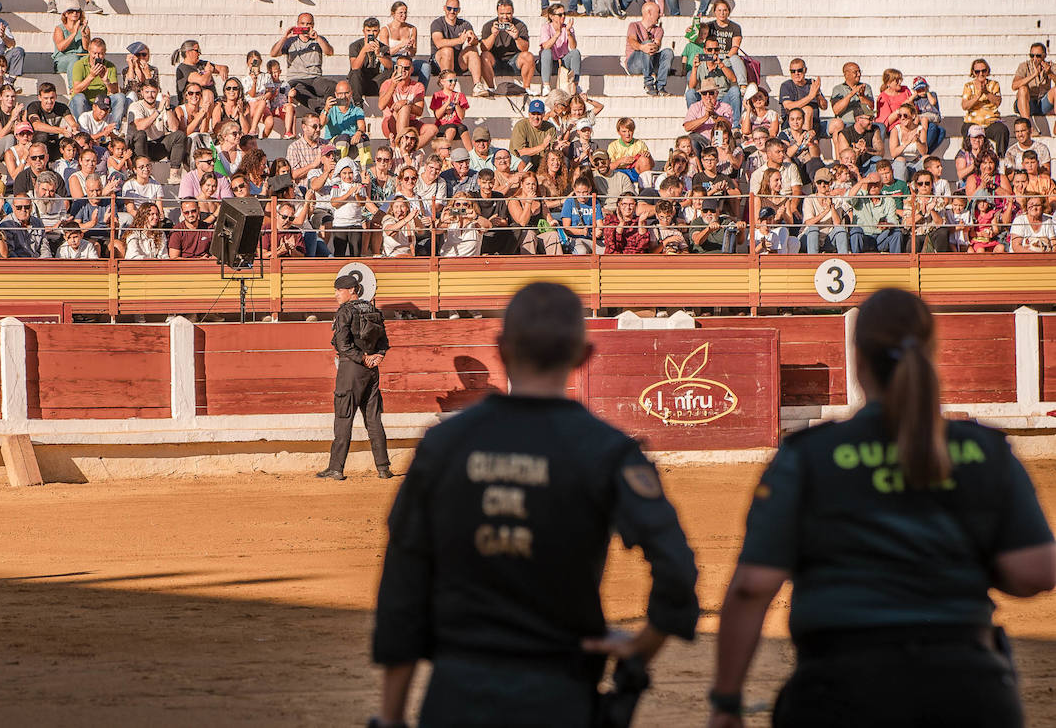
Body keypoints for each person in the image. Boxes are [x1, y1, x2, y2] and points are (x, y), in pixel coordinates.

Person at [709, 287, 1056, 728]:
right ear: (932, 351)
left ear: (857, 360)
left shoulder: (809, 456)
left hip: (840, 689)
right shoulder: (983, 450)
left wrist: (726, 701)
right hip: (967, 687)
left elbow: (753, 586)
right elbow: (1035, 573)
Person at [370, 282, 698, 727]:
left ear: (502, 351)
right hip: (559, 692)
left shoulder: (443, 446)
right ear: (583, 356)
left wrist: (391, 718)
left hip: (458, 694)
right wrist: (644, 647)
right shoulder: (607, 450)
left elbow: (403, 584)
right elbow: (675, 568)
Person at [318, 273, 391, 481]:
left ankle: (336, 468)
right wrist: (378, 356)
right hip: (372, 371)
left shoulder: (345, 312)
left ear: (352, 290)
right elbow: (384, 341)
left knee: (343, 417)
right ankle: (383, 467)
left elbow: (343, 345)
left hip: (351, 369)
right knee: (374, 419)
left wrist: (363, 358)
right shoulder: (374, 310)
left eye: (339, 290)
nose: (336, 295)